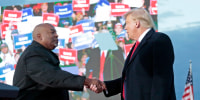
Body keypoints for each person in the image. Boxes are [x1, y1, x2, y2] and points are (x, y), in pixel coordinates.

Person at [91, 8, 176, 100]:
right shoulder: (137, 46)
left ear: (137, 23)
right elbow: (131, 79)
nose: (125, 27)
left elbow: (161, 81)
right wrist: (105, 86)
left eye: (127, 23)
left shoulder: (158, 40)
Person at [13, 23, 105, 100]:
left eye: (56, 33)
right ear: (39, 36)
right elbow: (52, 77)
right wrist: (86, 81)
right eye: (52, 32)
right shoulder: (33, 54)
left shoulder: (42, 52)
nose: (56, 35)